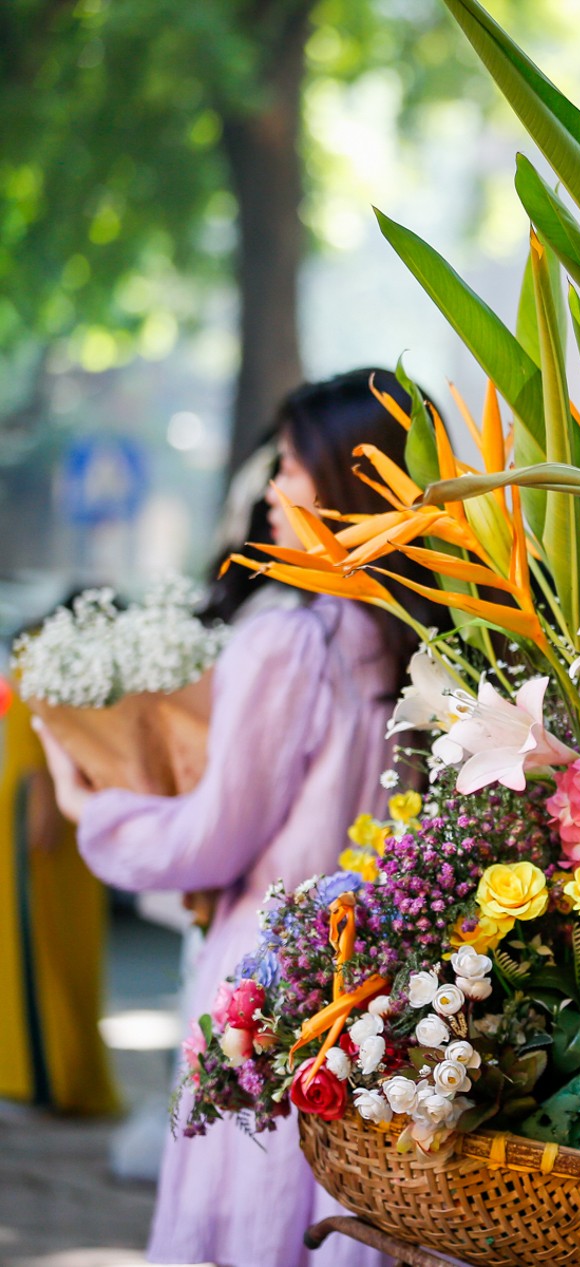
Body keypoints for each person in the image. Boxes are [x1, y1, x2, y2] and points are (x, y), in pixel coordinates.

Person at [37, 368, 442, 1267]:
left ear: (350, 485)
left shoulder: (291, 641)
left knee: (253, 1223)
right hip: (388, 1003)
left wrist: (93, 808)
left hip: (266, 990)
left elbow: (211, 838)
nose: (271, 488)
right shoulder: (432, 641)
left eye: (292, 466)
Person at [0, 673, 119, 1116]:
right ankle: (45, 1077)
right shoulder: (48, 654)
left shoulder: (48, 655)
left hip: (57, 811)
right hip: (56, 810)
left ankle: (46, 1080)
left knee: (50, 945)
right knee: (46, 946)